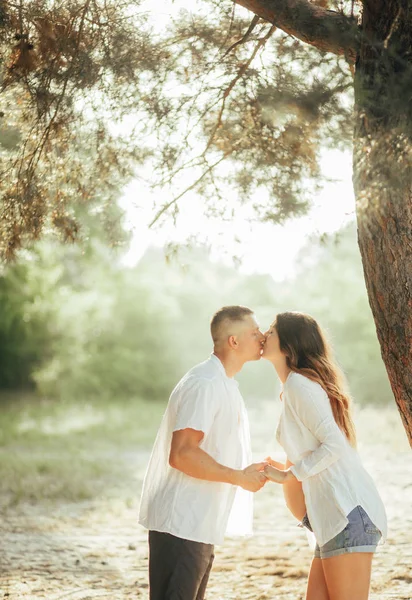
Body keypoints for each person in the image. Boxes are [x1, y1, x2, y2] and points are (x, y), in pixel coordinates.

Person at [138, 305, 267, 600]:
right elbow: (182, 454)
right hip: (181, 523)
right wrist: (238, 477)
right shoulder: (205, 383)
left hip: (198, 522)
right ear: (233, 341)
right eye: (254, 331)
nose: (262, 336)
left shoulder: (224, 382)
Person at [261, 311, 387, 600]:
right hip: (331, 519)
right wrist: (280, 468)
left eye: (271, 330)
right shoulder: (293, 387)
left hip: (346, 515)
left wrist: (287, 474)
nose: (265, 335)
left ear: (288, 344)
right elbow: (317, 451)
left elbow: (335, 445)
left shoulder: (298, 386)